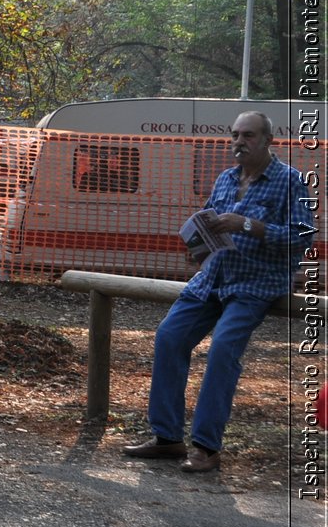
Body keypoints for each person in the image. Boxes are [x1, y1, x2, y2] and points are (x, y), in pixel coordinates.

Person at [123, 111, 313, 472]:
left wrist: (248, 225)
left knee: (223, 349)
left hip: (254, 285)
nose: (239, 142)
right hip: (211, 280)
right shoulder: (225, 179)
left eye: (249, 135)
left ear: (268, 140)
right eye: (235, 135)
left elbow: (303, 236)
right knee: (168, 337)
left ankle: (206, 448)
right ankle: (167, 439)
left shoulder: (290, 181)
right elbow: (212, 225)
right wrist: (199, 246)